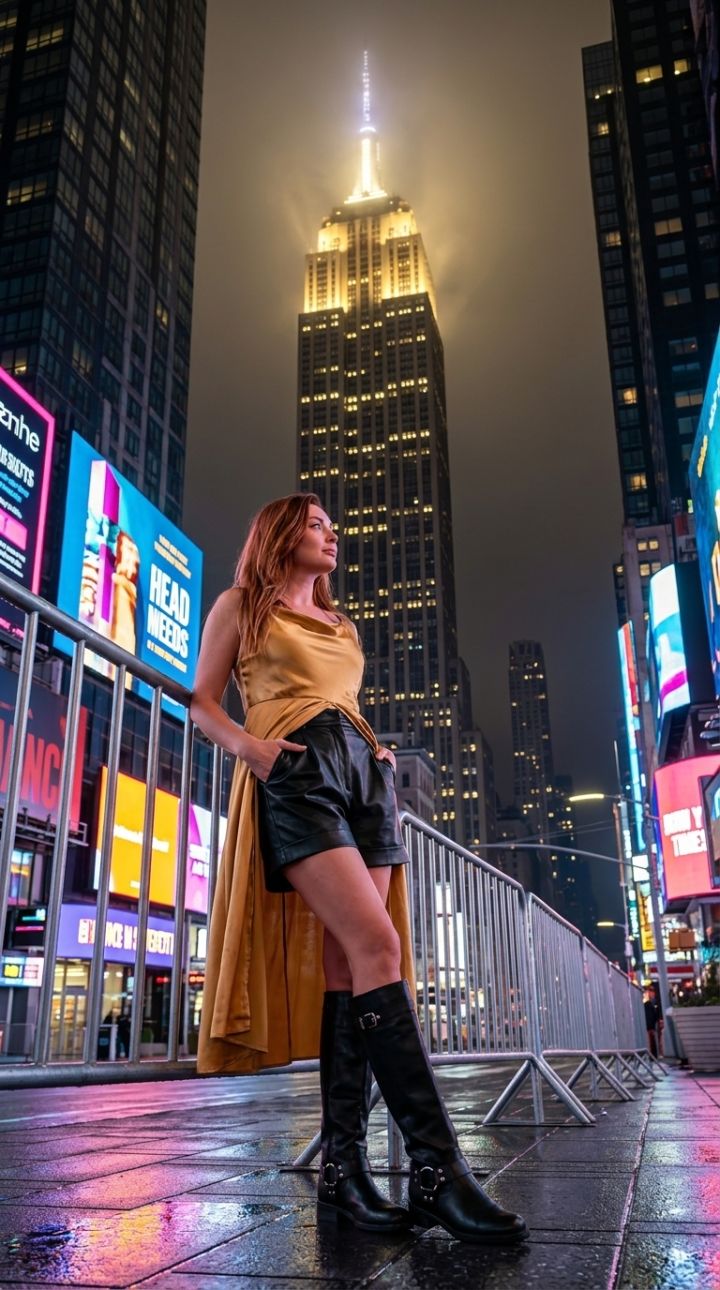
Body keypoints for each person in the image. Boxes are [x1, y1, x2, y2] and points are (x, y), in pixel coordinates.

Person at [191, 493, 527, 1246]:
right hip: (298, 773)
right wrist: (257, 753)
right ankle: (438, 1169)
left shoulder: (343, 623)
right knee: (382, 949)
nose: (332, 534)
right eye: (316, 524)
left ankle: (344, 1173)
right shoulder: (241, 604)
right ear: (280, 532)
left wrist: (376, 753)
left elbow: (342, 697)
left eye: (332, 526)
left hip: (366, 777)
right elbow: (203, 704)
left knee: (352, 966)